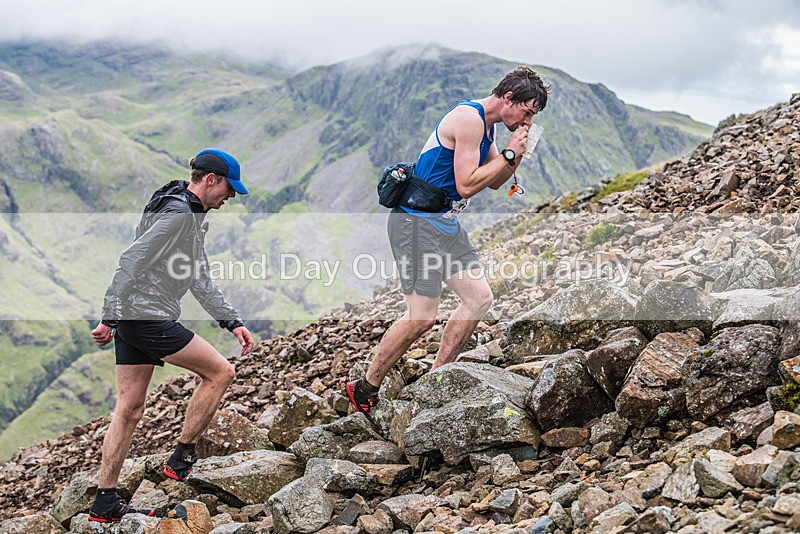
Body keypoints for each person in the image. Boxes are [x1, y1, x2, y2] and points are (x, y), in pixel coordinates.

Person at [342, 67, 550, 415]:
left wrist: (516, 154)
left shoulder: (490, 126)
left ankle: (437, 377)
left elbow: (496, 181)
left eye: (533, 117)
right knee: (422, 318)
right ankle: (364, 387)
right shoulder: (468, 119)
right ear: (508, 99)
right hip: (415, 223)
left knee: (479, 299)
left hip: (444, 223)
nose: (527, 120)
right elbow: (468, 183)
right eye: (527, 112)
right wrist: (509, 155)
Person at [87, 148, 255, 523]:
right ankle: (181, 459)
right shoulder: (181, 214)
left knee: (129, 408)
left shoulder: (182, 208)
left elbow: (197, 276)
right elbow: (132, 259)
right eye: (229, 187)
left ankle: (104, 502)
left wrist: (231, 320)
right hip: (145, 316)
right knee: (221, 372)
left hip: (134, 316)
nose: (231, 196)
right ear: (210, 179)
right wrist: (108, 317)